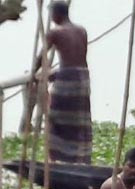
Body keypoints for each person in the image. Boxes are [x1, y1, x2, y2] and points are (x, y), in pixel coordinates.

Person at [43, 1, 92, 164]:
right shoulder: (81, 30)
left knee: (55, 117)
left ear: (56, 14)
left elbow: (41, 59)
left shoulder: (55, 32)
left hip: (67, 79)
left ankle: (57, 158)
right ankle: (80, 157)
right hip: (82, 77)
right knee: (79, 120)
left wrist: (39, 75)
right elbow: (78, 59)